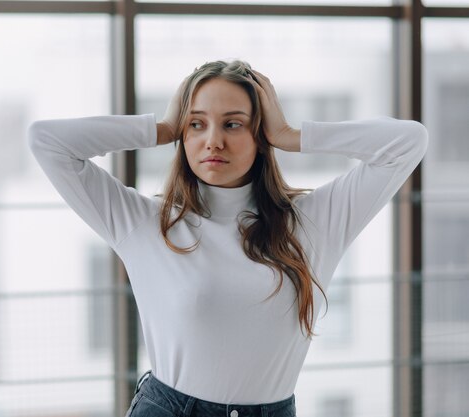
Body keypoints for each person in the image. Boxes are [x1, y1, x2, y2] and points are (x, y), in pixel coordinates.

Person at [28, 60, 429, 417]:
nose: (213, 141)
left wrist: (291, 135)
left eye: (233, 124)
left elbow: (407, 142)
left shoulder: (313, 222)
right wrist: (161, 128)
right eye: (196, 124)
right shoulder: (144, 222)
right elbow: (47, 141)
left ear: (260, 136)